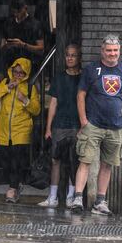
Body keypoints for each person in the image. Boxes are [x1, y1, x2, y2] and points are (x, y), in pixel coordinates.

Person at [70, 34, 122, 215]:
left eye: (115, 50)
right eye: (108, 50)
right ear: (102, 51)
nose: (112, 54)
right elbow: (81, 94)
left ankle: (100, 202)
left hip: (115, 126)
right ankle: (77, 198)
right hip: (93, 124)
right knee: (85, 160)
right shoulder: (92, 69)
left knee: (107, 164)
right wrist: (83, 120)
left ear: (119, 51)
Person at [0, 57, 41, 203]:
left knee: (16, 161)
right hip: (3, 129)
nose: (17, 75)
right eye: (15, 71)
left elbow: (36, 110)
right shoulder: (6, 83)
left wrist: (25, 100)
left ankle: (12, 189)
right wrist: (7, 88)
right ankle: (16, 185)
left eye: (21, 73)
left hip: (21, 130)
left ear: (26, 74)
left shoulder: (30, 88)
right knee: (5, 160)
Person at [38, 43, 81, 208]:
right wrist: (48, 127)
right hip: (59, 124)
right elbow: (53, 103)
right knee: (55, 160)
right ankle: (53, 196)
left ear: (79, 57)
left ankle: (71, 196)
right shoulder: (59, 78)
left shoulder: (82, 78)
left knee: (74, 161)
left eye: (73, 55)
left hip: (77, 124)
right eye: (67, 55)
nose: (69, 58)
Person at [0, 0, 44, 70]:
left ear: (25, 8)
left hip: (29, 62)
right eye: (14, 12)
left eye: (19, 12)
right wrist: (7, 45)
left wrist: (23, 45)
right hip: (11, 62)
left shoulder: (35, 24)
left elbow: (41, 49)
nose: (16, 14)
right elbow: (1, 46)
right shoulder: (8, 23)